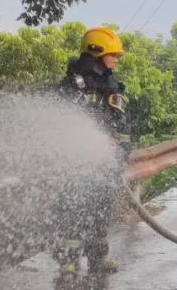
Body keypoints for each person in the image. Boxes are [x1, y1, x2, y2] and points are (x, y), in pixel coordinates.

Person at [55, 26, 130, 275]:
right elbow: (60, 123)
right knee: (73, 210)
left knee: (100, 209)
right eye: (113, 55)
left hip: (104, 162)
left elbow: (120, 123)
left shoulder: (111, 84)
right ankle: (68, 260)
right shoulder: (72, 85)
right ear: (96, 53)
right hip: (74, 162)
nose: (116, 60)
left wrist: (120, 149)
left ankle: (97, 258)